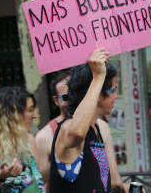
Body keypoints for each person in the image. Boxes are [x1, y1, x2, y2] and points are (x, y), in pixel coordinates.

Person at [49, 48, 136, 193]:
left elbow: (97, 182)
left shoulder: (95, 129)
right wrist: (98, 76)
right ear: (98, 94)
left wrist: (124, 189)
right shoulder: (68, 126)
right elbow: (77, 133)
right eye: (113, 90)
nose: (116, 96)